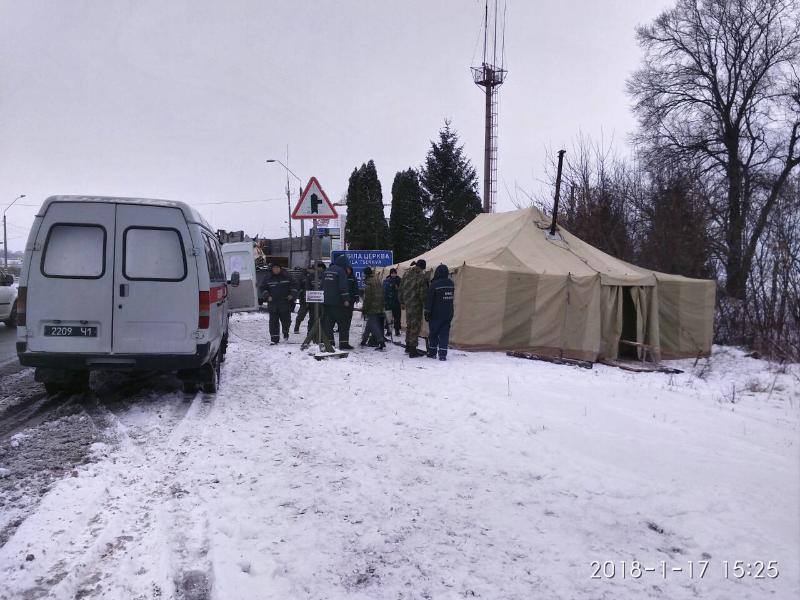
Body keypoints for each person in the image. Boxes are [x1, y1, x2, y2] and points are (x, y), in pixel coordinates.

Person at [259, 263, 297, 344]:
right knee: (273, 322)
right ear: (272, 269)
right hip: (273, 303)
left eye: (277, 268)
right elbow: (262, 288)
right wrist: (267, 296)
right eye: (274, 268)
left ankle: (285, 332)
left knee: (286, 321)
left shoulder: (287, 276)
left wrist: (292, 295)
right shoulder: (267, 278)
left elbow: (295, 286)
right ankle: (274, 339)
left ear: (280, 268)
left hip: (285, 303)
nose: (276, 269)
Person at [425, 264, 455, 360]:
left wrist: (427, 312)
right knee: (444, 334)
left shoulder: (434, 284)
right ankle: (443, 354)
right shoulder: (451, 283)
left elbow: (430, 300)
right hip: (448, 312)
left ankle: (432, 352)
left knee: (433, 333)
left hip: (436, 314)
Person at [322, 255, 353, 350]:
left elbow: (321, 285)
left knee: (328, 324)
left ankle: (330, 343)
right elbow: (343, 287)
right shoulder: (340, 271)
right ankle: (343, 344)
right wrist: (346, 299)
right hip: (338, 303)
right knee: (343, 323)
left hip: (326, 302)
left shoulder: (327, 270)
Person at [399, 259, 428, 358]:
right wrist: (426, 305)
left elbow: (401, 288)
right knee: (415, 327)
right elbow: (423, 294)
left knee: (409, 325)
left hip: (407, 304)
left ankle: (407, 346)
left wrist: (402, 301)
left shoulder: (406, 273)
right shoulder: (421, 276)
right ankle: (413, 350)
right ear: (422, 267)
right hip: (416, 305)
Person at [360, 267, 386, 350]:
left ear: (366, 274)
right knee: (370, 323)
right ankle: (364, 340)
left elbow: (368, 298)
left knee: (373, 324)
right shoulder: (377, 279)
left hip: (372, 306)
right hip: (379, 305)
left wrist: (364, 308)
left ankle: (381, 342)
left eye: (363, 273)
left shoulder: (368, 282)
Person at [293, 265, 314, 334]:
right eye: (310, 269)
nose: (311, 271)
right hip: (304, 299)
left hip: (313, 298)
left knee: (312, 315)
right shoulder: (302, 276)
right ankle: (296, 328)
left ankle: (310, 329)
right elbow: (297, 286)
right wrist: (301, 292)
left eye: (312, 269)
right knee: (301, 314)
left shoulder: (315, 276)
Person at [383, 267, 402, 337]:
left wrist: (398, 288)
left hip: (396, 302)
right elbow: (384, 291)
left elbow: (402, 290)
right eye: (392, 273)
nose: (393, 274)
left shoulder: (399, 280)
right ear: (390, 273)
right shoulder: (386, 280)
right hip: (388, 302)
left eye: (395, 273)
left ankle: (397, 331)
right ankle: (388, 331)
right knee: (388, 318)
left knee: (397, 318)